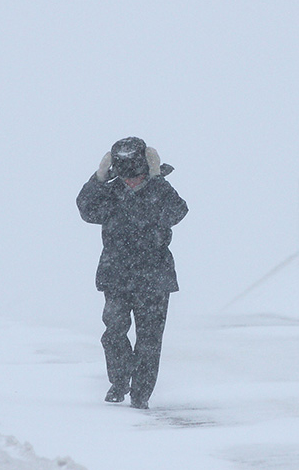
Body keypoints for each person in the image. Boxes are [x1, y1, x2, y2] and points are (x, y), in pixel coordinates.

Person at [76, 136, 188, 409]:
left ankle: (141, 395)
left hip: (155, 277)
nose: (131, 182)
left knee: (149, 340)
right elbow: (86, 210)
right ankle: (120, 381)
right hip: (117, 276)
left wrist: (157, 179)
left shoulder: (159, 191)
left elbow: (177, 212)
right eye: (125, 176)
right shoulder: (111, 193)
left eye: (137, 175)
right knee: (114, 332)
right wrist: (98, 179)